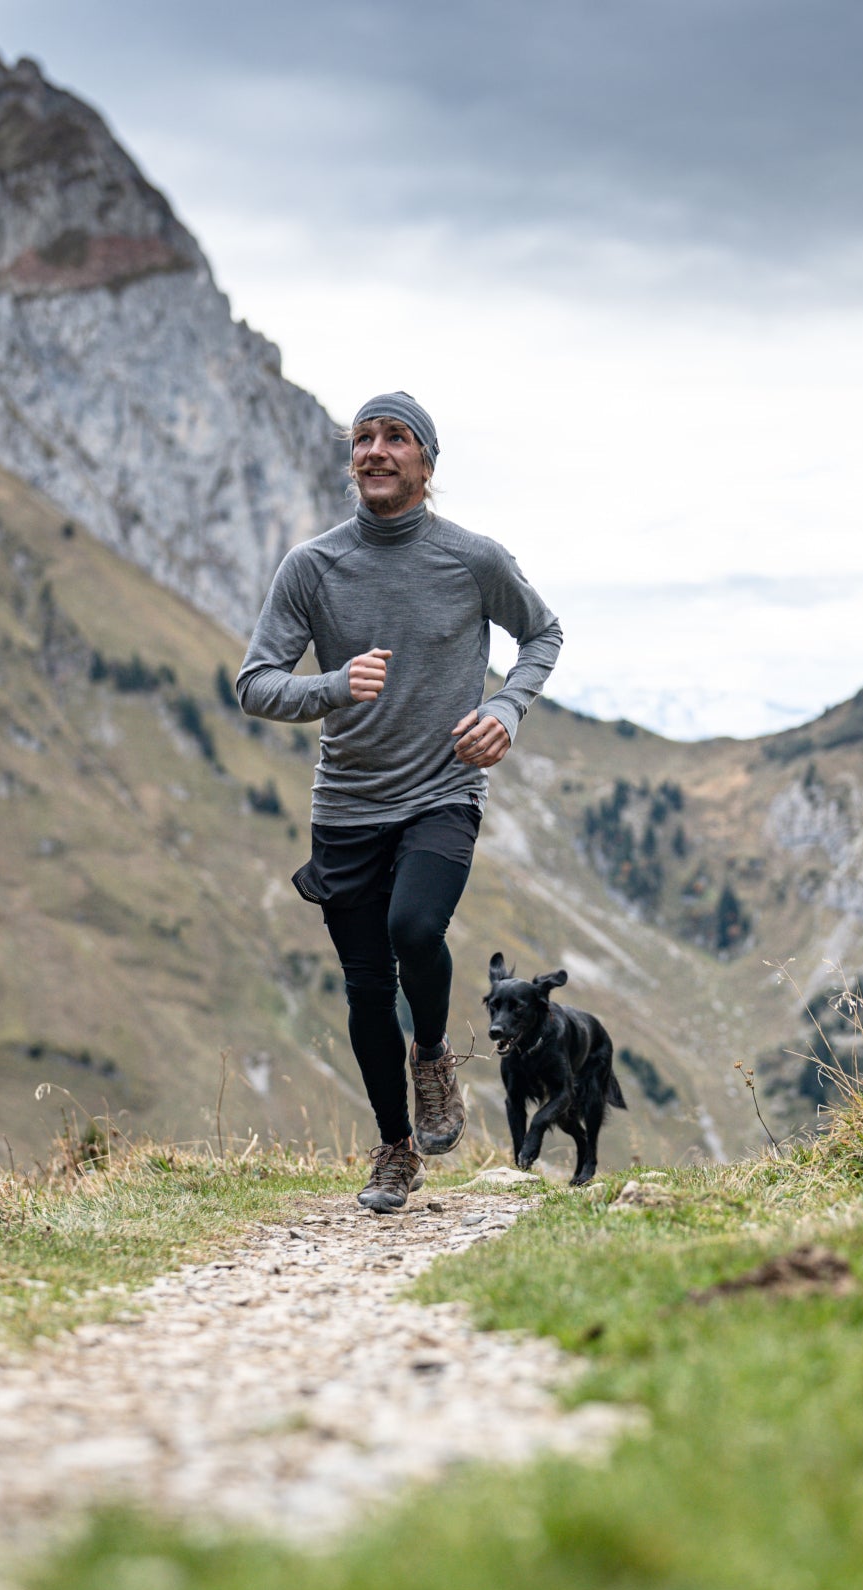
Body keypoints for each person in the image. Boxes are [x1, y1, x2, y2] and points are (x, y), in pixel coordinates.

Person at [236, 393, 563, 1211]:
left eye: (395, 438)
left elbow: (544, 634)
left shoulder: (472, 559)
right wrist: (334, 686)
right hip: (347, 802)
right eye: (363, 439)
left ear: (426, 462)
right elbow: (255, 683)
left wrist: (505, 708)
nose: (375, 451)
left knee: (415, 927)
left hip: (441, 789)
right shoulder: (312, 567)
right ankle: (394, 1150)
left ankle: (434, 1056)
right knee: (364, 988)